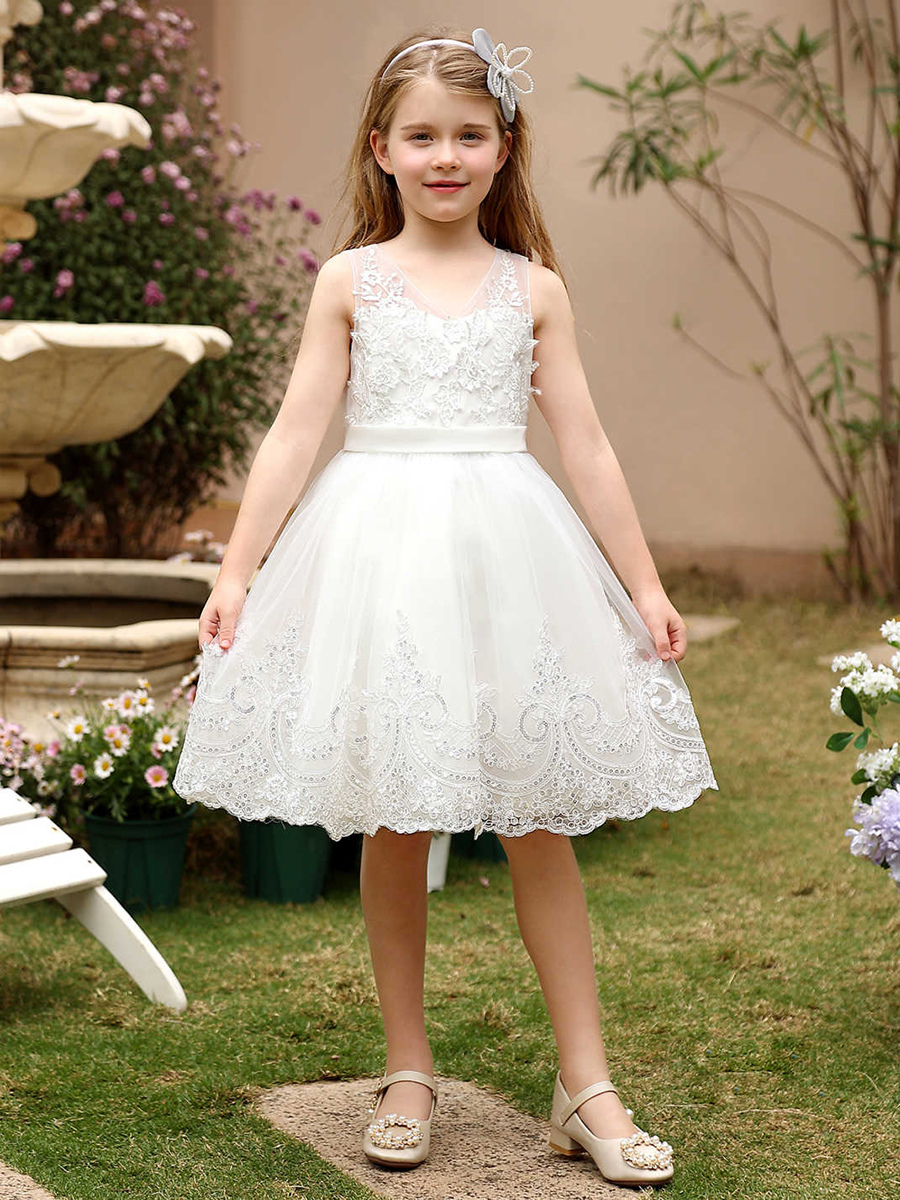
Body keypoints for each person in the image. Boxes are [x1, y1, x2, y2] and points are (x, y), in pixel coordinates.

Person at [173, 23, 718, 1187]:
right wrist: (238, 569)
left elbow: (587, 445)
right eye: (421, 136)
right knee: (398, 814)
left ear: (503, 148)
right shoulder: (351, 283)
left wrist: (643, 584)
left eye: (469, 136)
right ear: (380, 148)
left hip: (506, 564)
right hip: (379, 560)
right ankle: (408, 1068)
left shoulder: (534, 290)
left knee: (536, 820)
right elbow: (297, 431)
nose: (445, 157)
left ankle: (587, 1086)